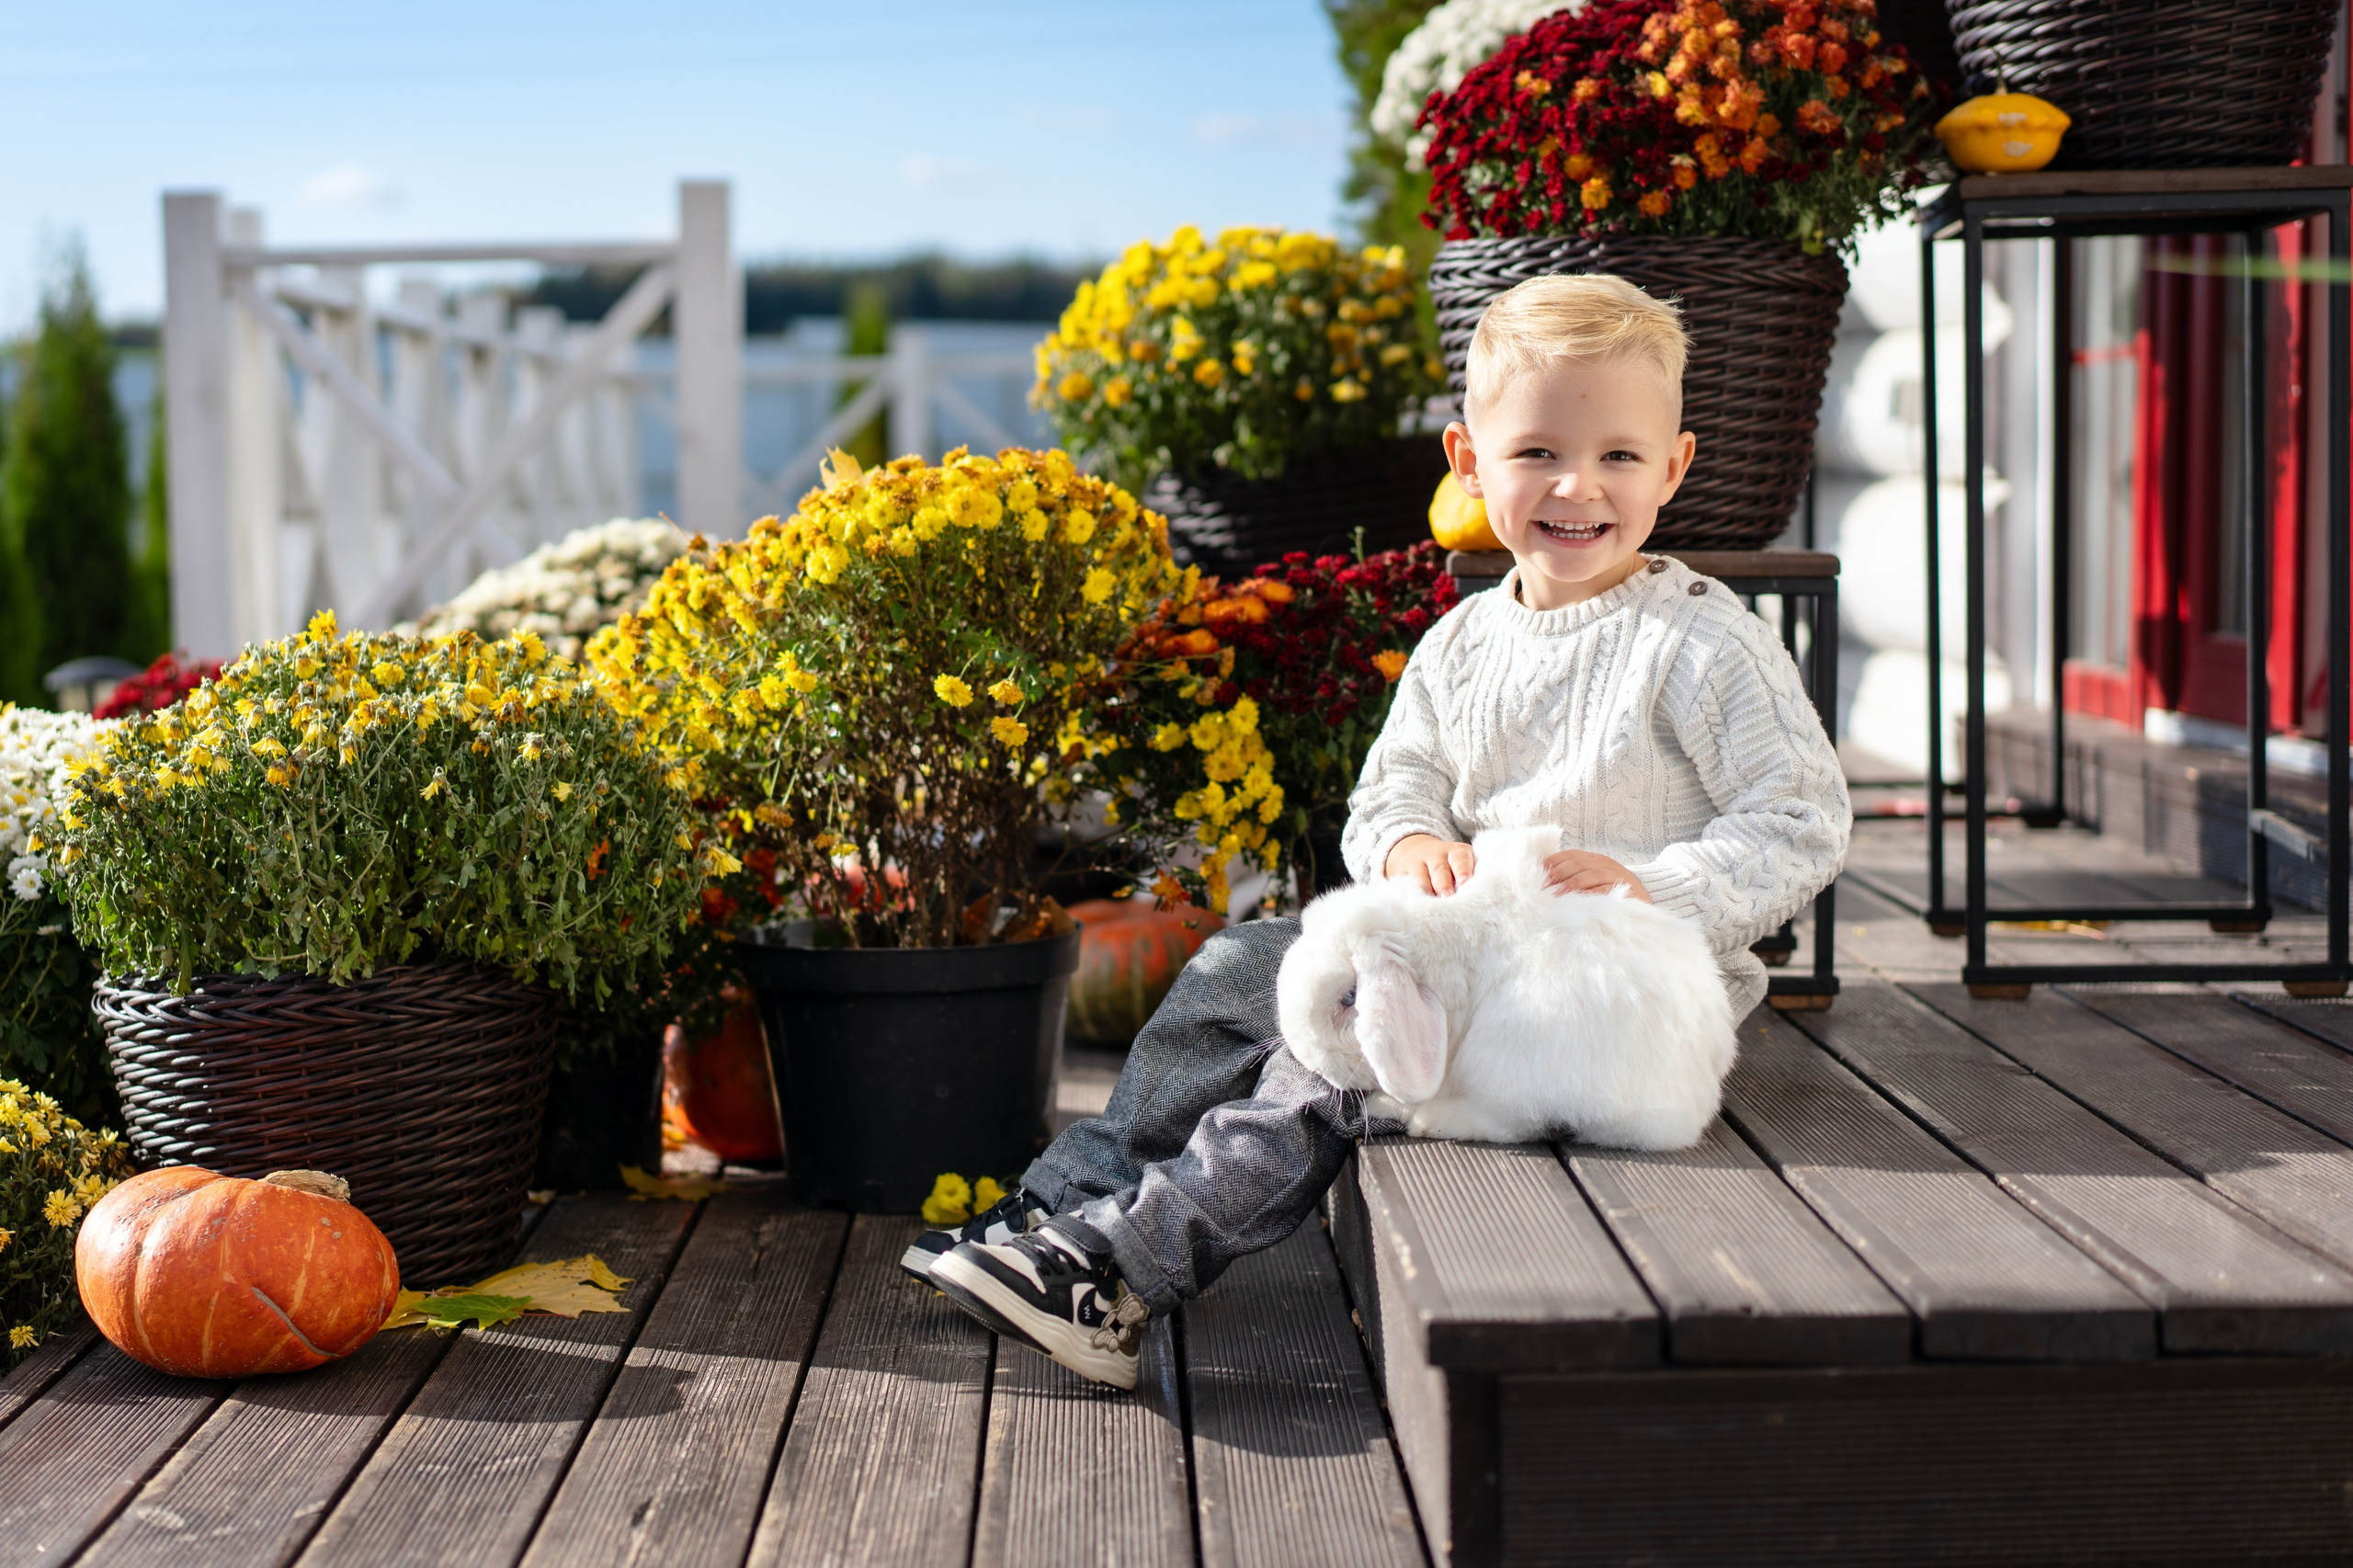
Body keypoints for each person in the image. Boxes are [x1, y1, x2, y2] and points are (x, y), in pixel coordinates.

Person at [912, 273, 1852, 1389]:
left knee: (1336, 1049)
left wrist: (1655, 886)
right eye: (1537, 451)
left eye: (1617, 457)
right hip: (1466, 956)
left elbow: (1801, 820)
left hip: (1608, 1003)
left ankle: (1116, 1275)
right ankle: (1057, 1207)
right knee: (1232, 965)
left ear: (1674, 466)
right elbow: (1390, 790)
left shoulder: (1699, 641)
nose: (1576, 487)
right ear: (1466, 461)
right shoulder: (1463, 644)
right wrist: (1411, 848)